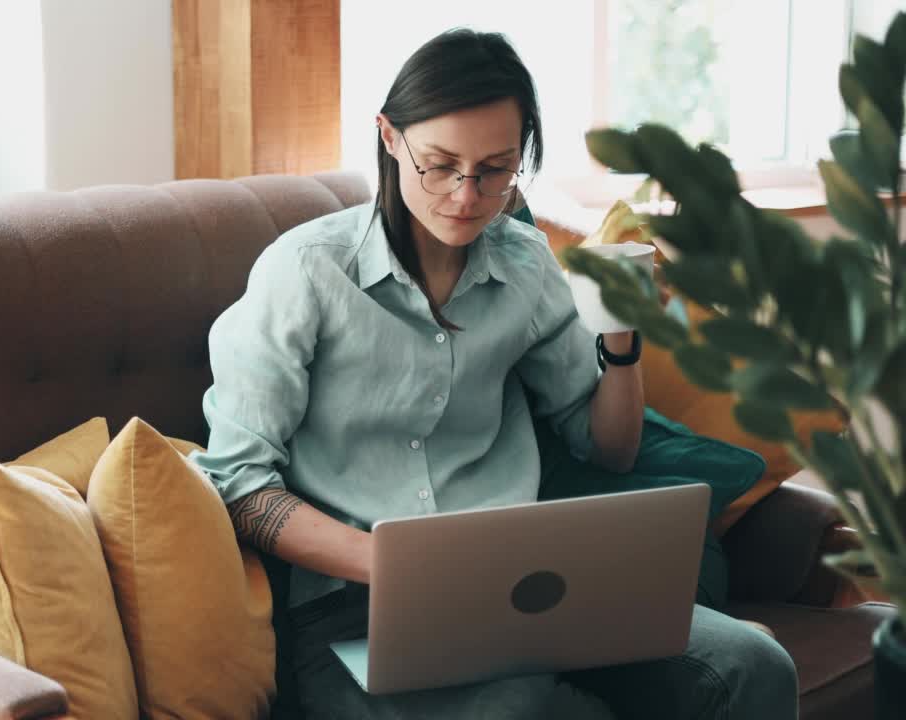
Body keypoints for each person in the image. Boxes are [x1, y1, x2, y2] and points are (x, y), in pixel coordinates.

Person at [190, 28, 798, 720]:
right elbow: (239, 484)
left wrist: (622, 343)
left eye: (495, 169)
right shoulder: (304, 272)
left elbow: (608, 448)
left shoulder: (526, 264)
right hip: (354, 608)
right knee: (517, 709)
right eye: (440, 164)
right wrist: (396, 565)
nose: (465, 195)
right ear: (389, 137)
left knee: (753, 666)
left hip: (527, 588)